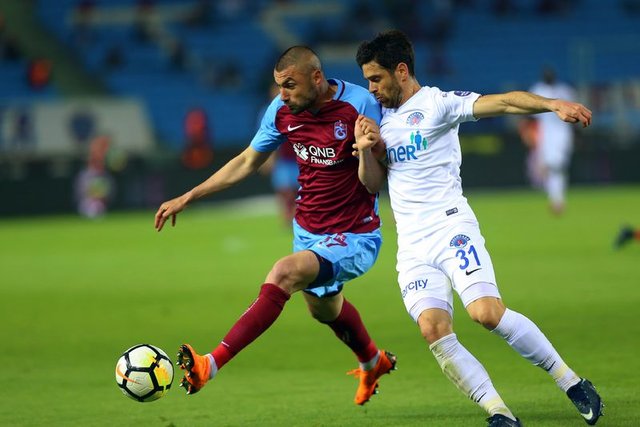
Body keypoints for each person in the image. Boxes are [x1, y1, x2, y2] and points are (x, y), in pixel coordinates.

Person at [354, 30, 603, 426]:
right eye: (367, 80)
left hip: (451, 228)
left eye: (376, 78)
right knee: (433, 330)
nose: (371, 88)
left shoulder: (437, 103)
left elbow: (503, 102)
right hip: (412, 247)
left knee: (486, 313)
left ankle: (571, 381)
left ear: (401, 71)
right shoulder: (379, 120)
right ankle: (499, 413)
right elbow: (371, 185)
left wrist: (552, 104)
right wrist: (367, 150)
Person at [154, 46, 396, 405]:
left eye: (290, 85)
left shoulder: (359, 105)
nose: (282, 94)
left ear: (316, 78)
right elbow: (247, 161)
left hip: (354, 235)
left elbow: (376, 181)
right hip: (307, 230)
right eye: (279, 86)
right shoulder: (281, 110)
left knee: (284, 273)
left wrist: (364, 149)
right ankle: (373, 361)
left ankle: (209, 364)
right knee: (325, 309)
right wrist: (190, 195)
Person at [529, 66, 577, 215]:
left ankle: (557, 199)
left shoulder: (565, 91)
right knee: (551, 167)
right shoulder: (537, 90)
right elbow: (531, 117)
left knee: (558, 166)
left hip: (563, 133)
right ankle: (556, 200)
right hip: (547, 134)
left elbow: (575, 113)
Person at [257, 83, 299, 226]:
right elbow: (265, 138)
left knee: (298, 191)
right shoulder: (268, 112)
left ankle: (296, 217)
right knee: (285, 191)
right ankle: (288, 217)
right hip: (283, 161)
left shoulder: (298, 108)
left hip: (300, 157)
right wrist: (267, 159)